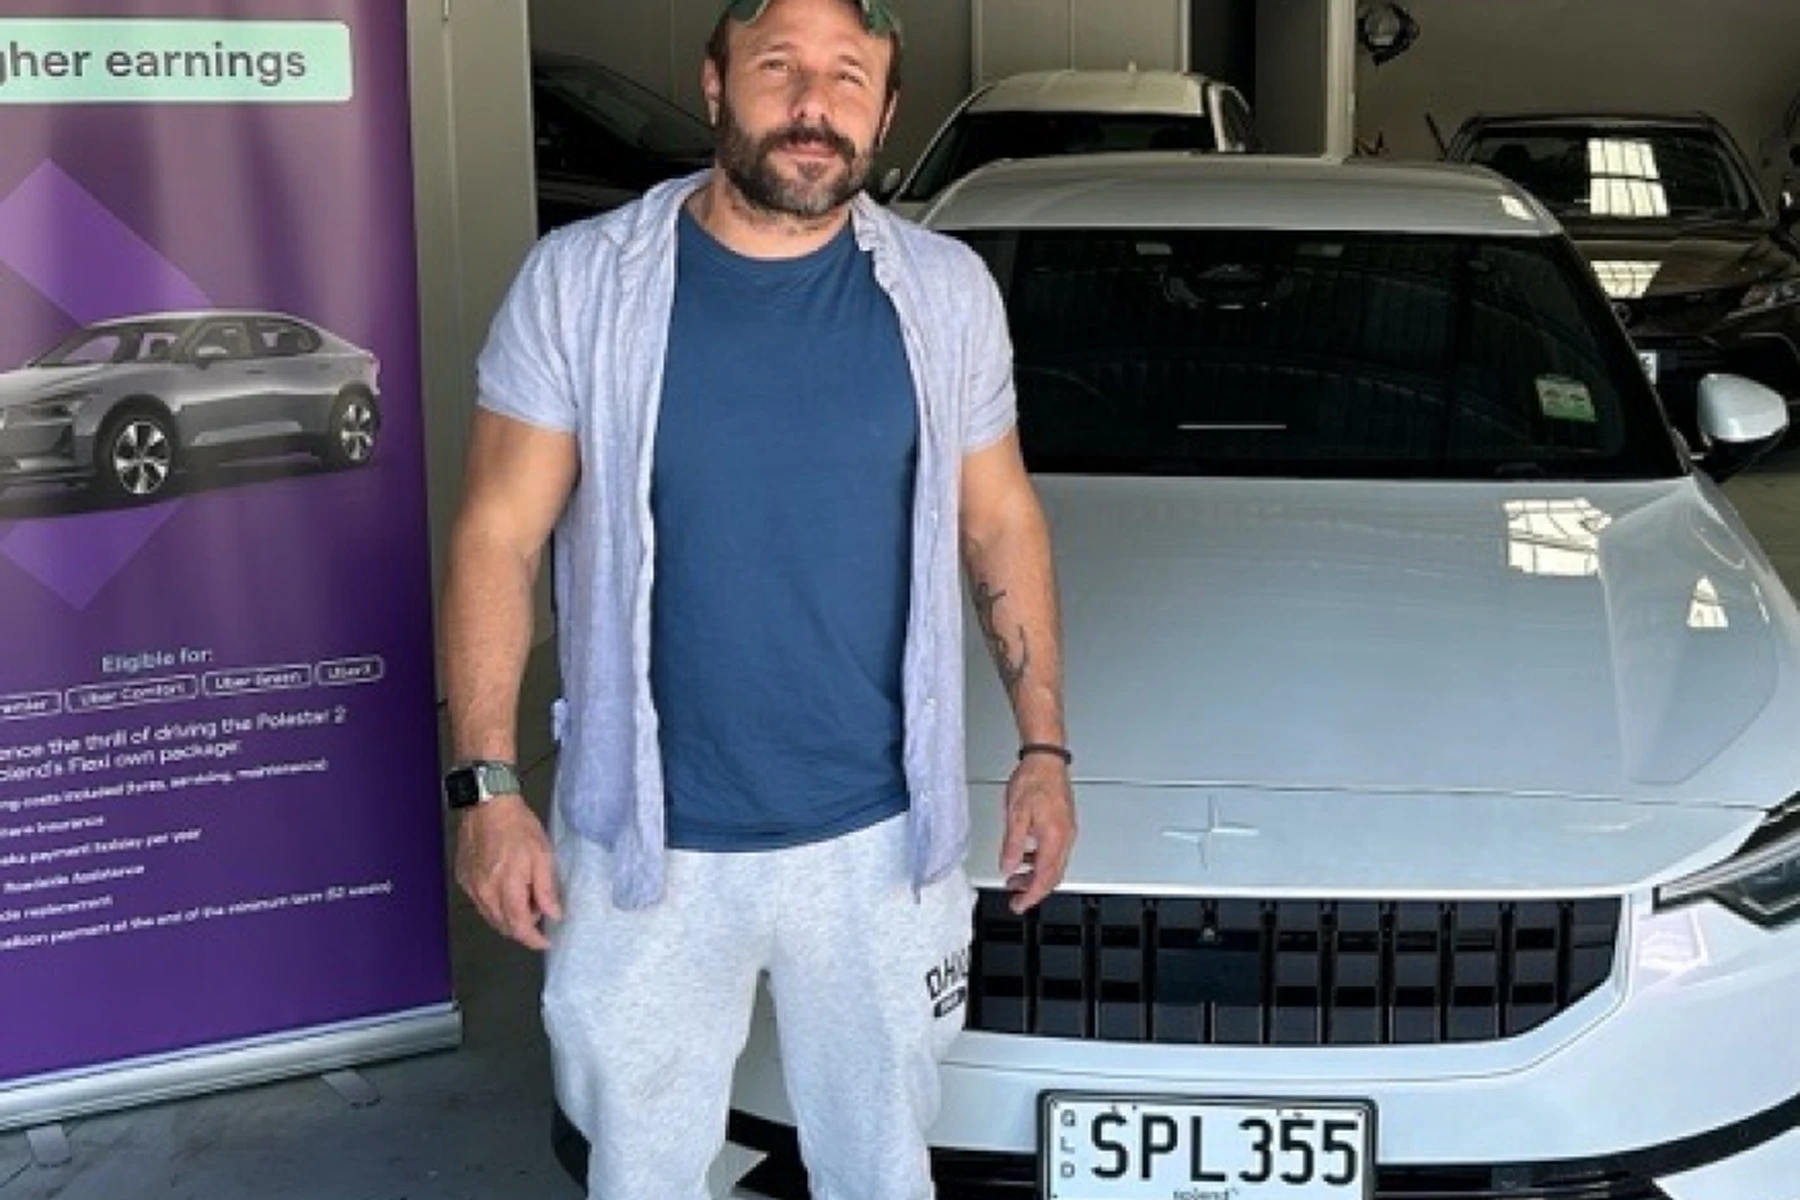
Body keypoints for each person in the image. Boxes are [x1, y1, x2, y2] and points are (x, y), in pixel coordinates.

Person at [439, 0, 1075, 1196]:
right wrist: (486, 787)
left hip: (885, 841)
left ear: (886, 113)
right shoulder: (582, 285)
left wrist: (1043, 745)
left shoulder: (944, 295)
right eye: (780, 66)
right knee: (641, 1169)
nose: (813, 104)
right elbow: (495, 535)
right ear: (718, 84)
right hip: (645, 842)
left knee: (882, 1167)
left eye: (849, 77)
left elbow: (999, 518)